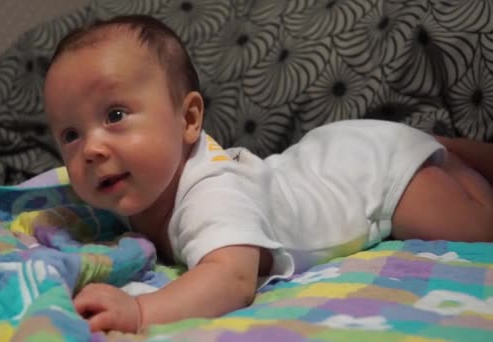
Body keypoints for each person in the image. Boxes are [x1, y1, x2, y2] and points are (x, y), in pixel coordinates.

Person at [43, 15, 493, 333]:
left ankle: (447, 152)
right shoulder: (135, 184)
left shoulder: (212, 193)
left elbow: (232, 279)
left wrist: (141, 313)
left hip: (375, 174)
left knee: (476, 226)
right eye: (70, 134)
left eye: (116, 114)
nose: (92, 149)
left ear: (188, 120)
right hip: (328, 152)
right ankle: (441, 148)